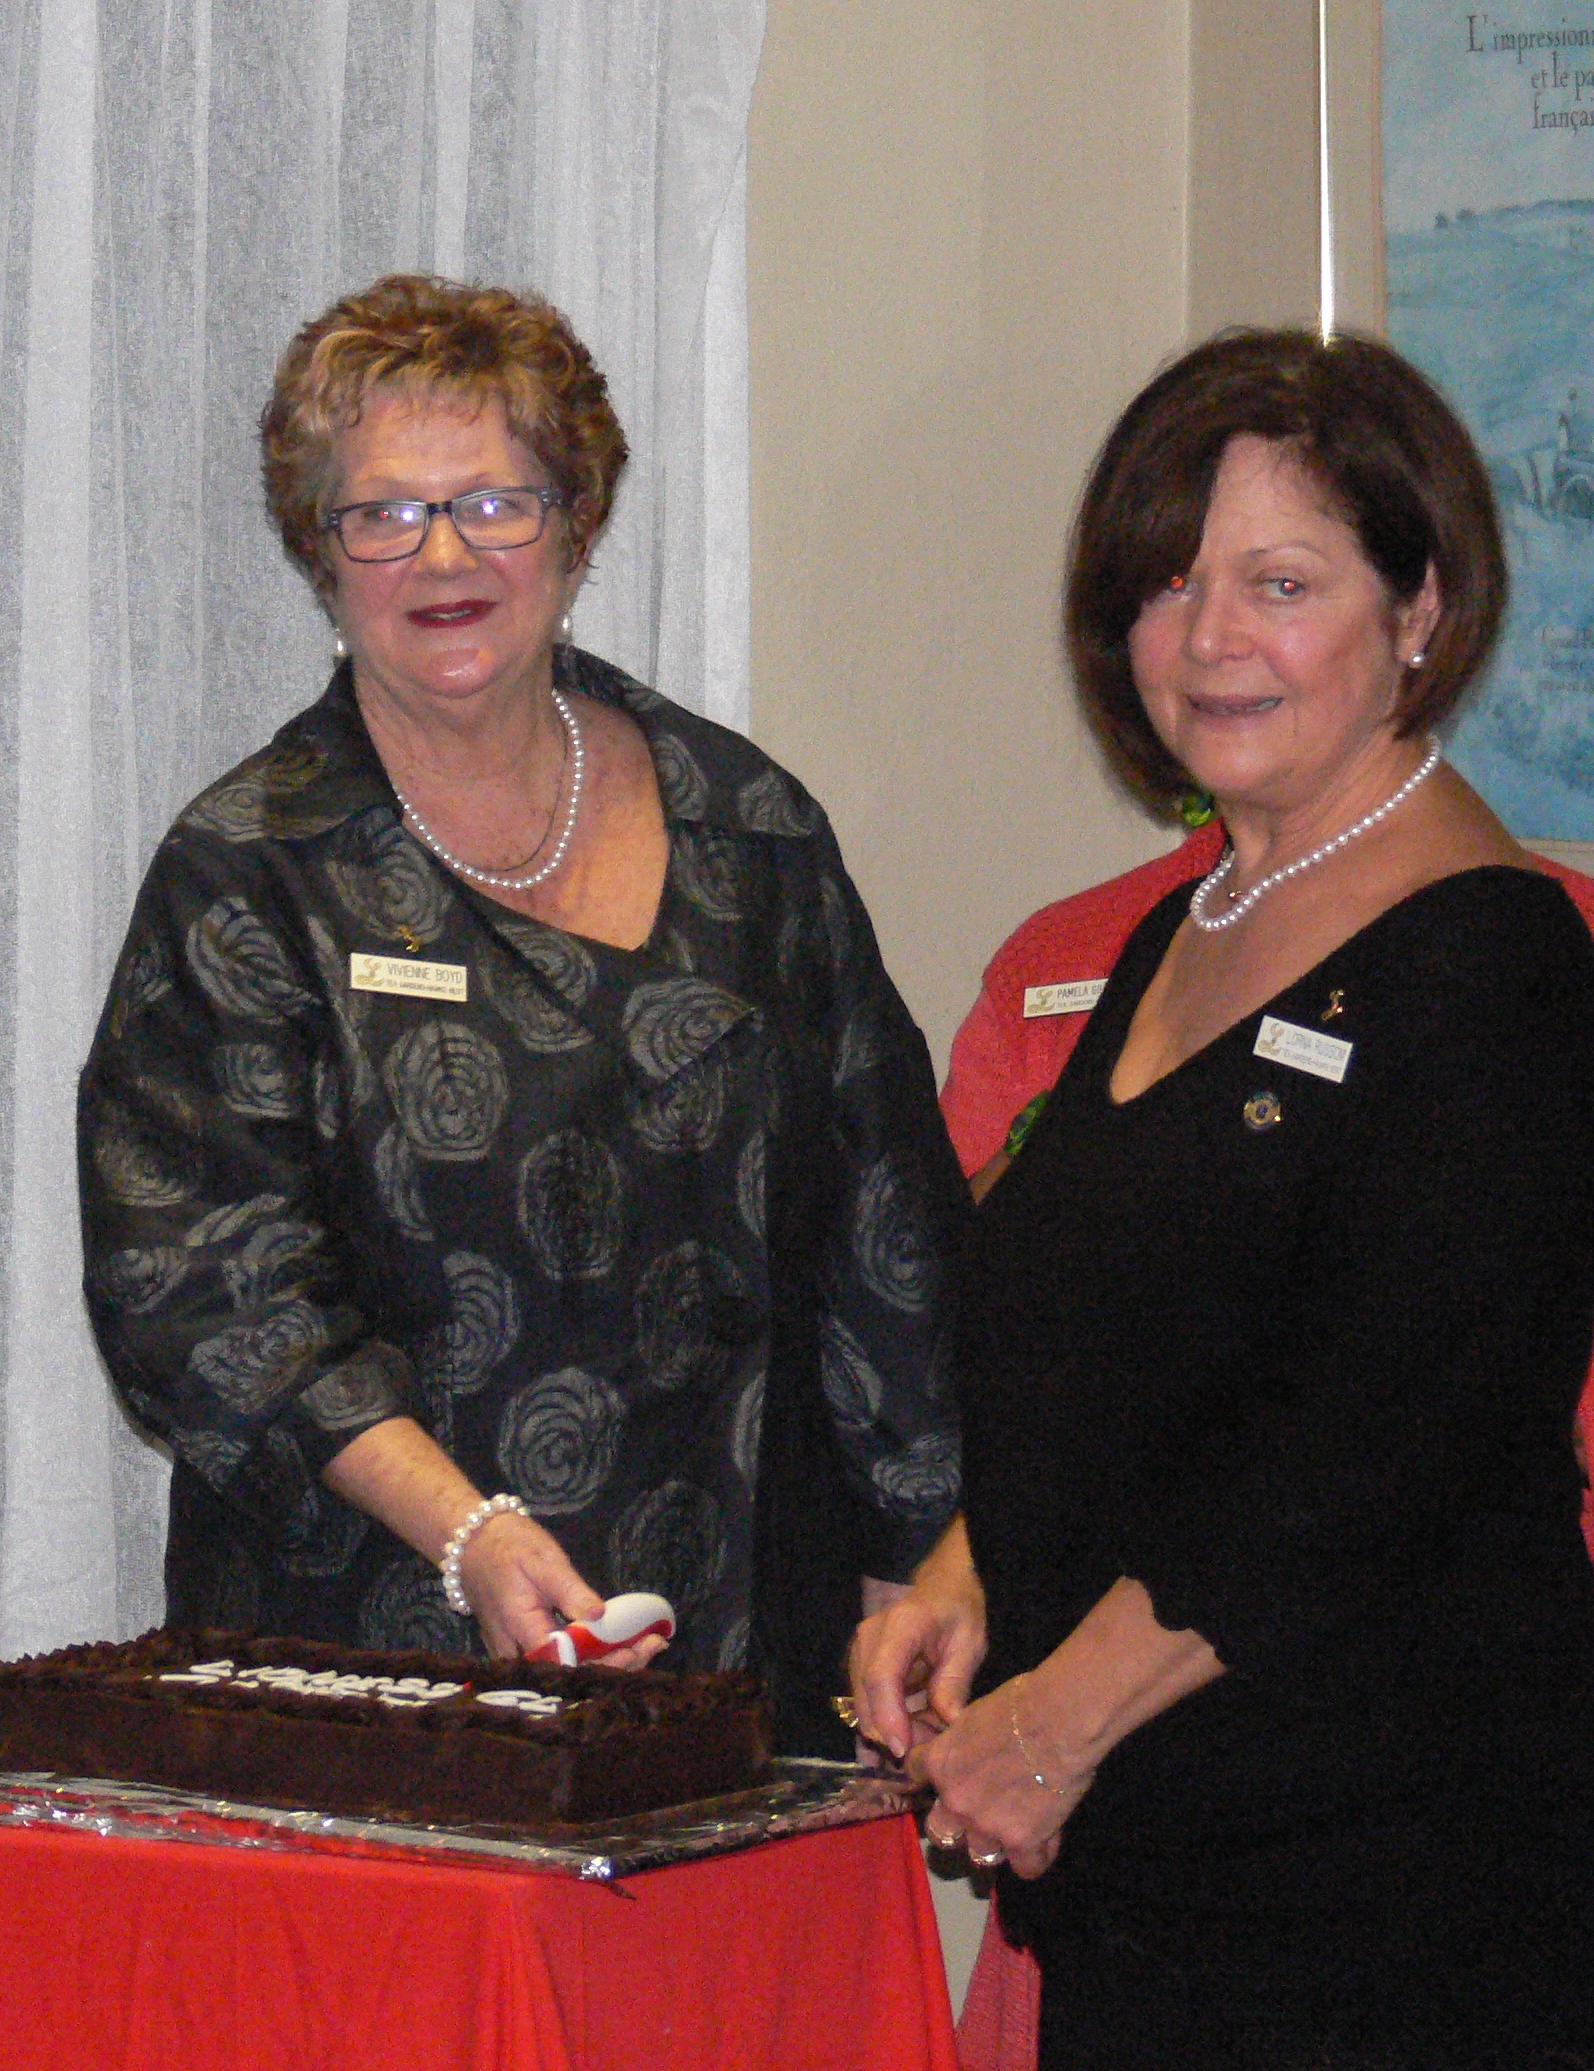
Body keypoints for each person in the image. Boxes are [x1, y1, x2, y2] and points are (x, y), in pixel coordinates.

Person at [853, 326, 1594, 2070]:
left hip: (1390, 1896)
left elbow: (1362, 1454)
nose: (1210, 638)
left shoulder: (1500, 961)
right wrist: (967, 1575)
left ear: (1419, 608)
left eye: (1281, 582)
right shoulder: (1184, 931)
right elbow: (1120, 1353)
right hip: (1155, 1877)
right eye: (1168, 583)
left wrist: (1053, 1724)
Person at [79, 273, 962, 1754]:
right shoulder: (253, 870)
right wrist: (466, 1530)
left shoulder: (748, 829)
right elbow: (203, 1294)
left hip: (742, 1634)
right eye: (383, 513)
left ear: (576, 521)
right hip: (372, 1655)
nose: (443, 554)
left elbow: (889, 1222)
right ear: (320, 548)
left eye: (495, 503)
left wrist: (914, 1565)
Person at [936, 820, 1594, 2071]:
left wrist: (1501, 1447)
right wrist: (967, 1562)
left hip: (1410, 1756)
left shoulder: (1528, 940)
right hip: (1117, 1786)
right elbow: (976, 1320)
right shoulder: (1089, 949)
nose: (1225, 690)